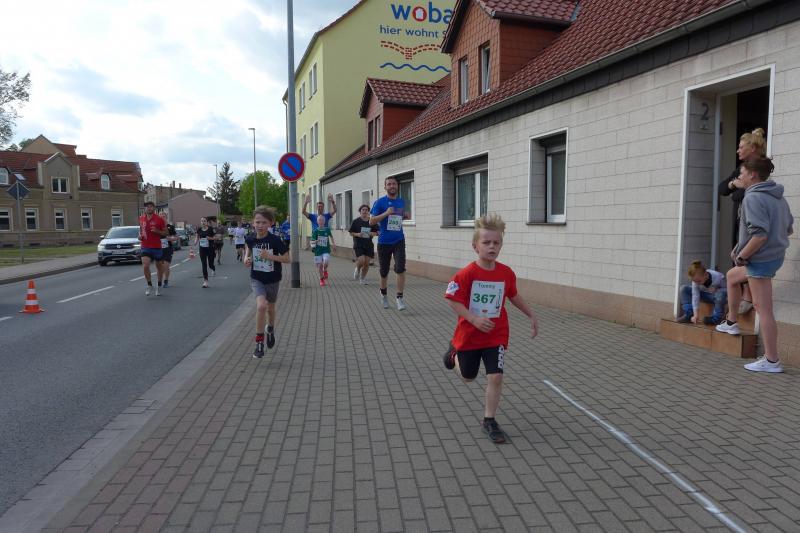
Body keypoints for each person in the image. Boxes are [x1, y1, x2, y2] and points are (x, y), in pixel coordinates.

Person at [443, 214, 538, 444]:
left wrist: (531, 314)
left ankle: (489, 420)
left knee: (495, 376)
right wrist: (473, 319)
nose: (492, 246)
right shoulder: (466, 274)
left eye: (496, 242)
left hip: (496, 334)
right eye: (486, 242)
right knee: (468, 377)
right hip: (469, 335)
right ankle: (453, 354)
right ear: (475, 246)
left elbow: (513, 295)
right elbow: (452, 299)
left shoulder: (506, 273)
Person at [715, 157, 794, 373]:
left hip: (760, 261)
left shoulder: (753, 198)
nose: (739, 176)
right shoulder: (777, 197)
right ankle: (732, 321)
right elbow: (787, 228)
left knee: (764, 310)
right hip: (772, 257)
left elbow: (760, 235)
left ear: (753, 175)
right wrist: (739, 247)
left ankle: (771, 360)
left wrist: (742, 256)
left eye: (741, 173)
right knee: (732, 276)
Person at [718, 128, 767, 314]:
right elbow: (722, 189)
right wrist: (734, 183)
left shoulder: (761, 167)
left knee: (749, 254)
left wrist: (744, 187)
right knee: (737, 254)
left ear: (752, 148)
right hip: (739, 218)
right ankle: (742, 296)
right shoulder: (740, 169)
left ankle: (748, 295)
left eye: (741, 147)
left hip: (753, 220)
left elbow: (758, 192)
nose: (737, 150)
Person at [244, 206, 290, 359]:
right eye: (257, 222)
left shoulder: (275, 240)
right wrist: (246, 258)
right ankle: (259, 342)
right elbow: (248, 248)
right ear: (253, 223)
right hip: (257, 278)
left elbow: (287, 258)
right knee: (261, 306)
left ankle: (270, 328)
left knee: (270, 308)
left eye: (264, 222)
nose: (260, 225)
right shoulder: (251, 238)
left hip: (273, 279)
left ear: (271, 223)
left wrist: (270, 257)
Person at [370, 176, 409, 310]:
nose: (392, 186)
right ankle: (383, 294)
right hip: (384, 242)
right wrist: (386, 213)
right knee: (384, 271)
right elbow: (371, 221)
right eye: (389, 184)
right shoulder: (379, 202)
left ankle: (399, 298)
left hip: (399, 240)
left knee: (400, 268)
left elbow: (397, 218)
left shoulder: (401, 201)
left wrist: (404, 216)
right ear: (385, 187)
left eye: (394, 184)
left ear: (397, 186)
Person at [677, 260, 727, 325]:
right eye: (695, 281)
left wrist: (718, 289)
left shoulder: (718, 276)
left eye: (699, 281)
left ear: (705, 274)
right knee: (684, 289)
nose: (697, 283)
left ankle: (716, 318)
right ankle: (689, 314)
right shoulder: (696, 281)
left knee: (720, 294)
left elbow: (727, 289)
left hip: (717, 297)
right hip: (705, 296)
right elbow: (695, 296)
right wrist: (696, 315)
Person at [138, 201, 168, 296]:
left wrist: (157, 231)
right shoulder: (141, 218)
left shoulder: (159, 219)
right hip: (145, 246)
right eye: (147, 207)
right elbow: (141, 230)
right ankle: (150, 285)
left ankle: (159, 286)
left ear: (154, 208)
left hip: (156, 247)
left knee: (159, 267)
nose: (149, 208)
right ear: (145, 209)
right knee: (145, 265)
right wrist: (139, 236)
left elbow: (166, 233)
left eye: (151, 206)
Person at [349, 204, 378, 285]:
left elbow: (378, 232)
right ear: (360, 211)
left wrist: (373, 233)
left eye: (366, 210)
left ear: (368, 212)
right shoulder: (356, 221)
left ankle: (362, 278)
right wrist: (358, 234)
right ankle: (358, 269)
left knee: (367, 263)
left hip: (368, 244)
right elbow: (351, 233)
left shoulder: (371, 221)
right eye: (363, 210)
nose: (365, 211)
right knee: (362, 260)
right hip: (358, 244)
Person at [311, 214, 336, 286]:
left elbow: (331, 236)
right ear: (317, 222)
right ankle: (321, 279)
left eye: (322, 220)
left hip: (326, 249)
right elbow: (312, 242)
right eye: (319, 220)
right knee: (319, 266)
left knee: (326, 261)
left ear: (324, 221)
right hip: (318, 251)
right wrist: (316, 241)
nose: (321, 221)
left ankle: (325, 270)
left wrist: (334, 244)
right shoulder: (315, 231)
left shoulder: (327, 229)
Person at [193, 217, 216, 287]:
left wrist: (210, 238)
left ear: (207, 222)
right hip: (202, 249)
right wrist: (195, 242)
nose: (203, 222)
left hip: (210, 248)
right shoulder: (199, 229)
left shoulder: (211, 229)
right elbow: (197, 236)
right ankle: (205, 281)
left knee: (210, 264)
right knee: (204, 265)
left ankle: (213, 268)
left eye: (204, 221)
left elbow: (216, 237)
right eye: (202, 221)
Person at [158, 211, 178, 288]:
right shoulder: (156, 227)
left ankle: (166, 281)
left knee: (166, 265)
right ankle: (160, 281)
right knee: (160, 266)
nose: (162, 218)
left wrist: (170, 239)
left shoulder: (170, 227)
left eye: (163, 216)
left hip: (168, 248)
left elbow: (176, 237)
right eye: (160, 217)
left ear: (166, 217)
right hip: (158, 248)